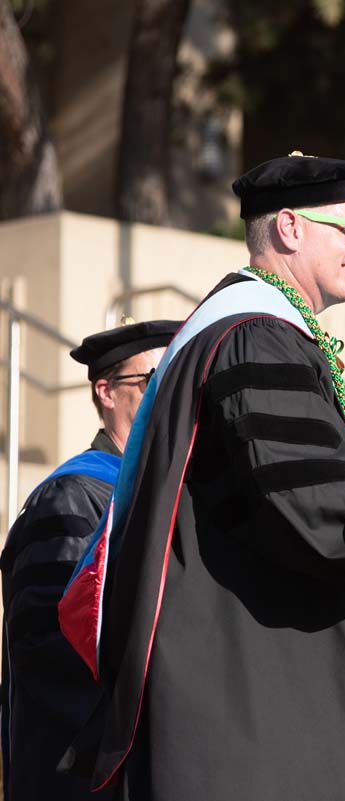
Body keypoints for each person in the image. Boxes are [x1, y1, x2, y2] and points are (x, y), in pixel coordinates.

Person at [56, 153, 345, 801]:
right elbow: (321, 504)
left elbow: (267, 513)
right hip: (247, 721)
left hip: (238, 701)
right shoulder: (257, 337)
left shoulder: (230, 332)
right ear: (289, 228)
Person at [0, 319, 177, 801]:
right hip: (83, 772)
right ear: (107, 392)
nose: (168, 395)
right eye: (152, 381)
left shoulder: (159, 499)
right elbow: (53, 648)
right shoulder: (72, 496)